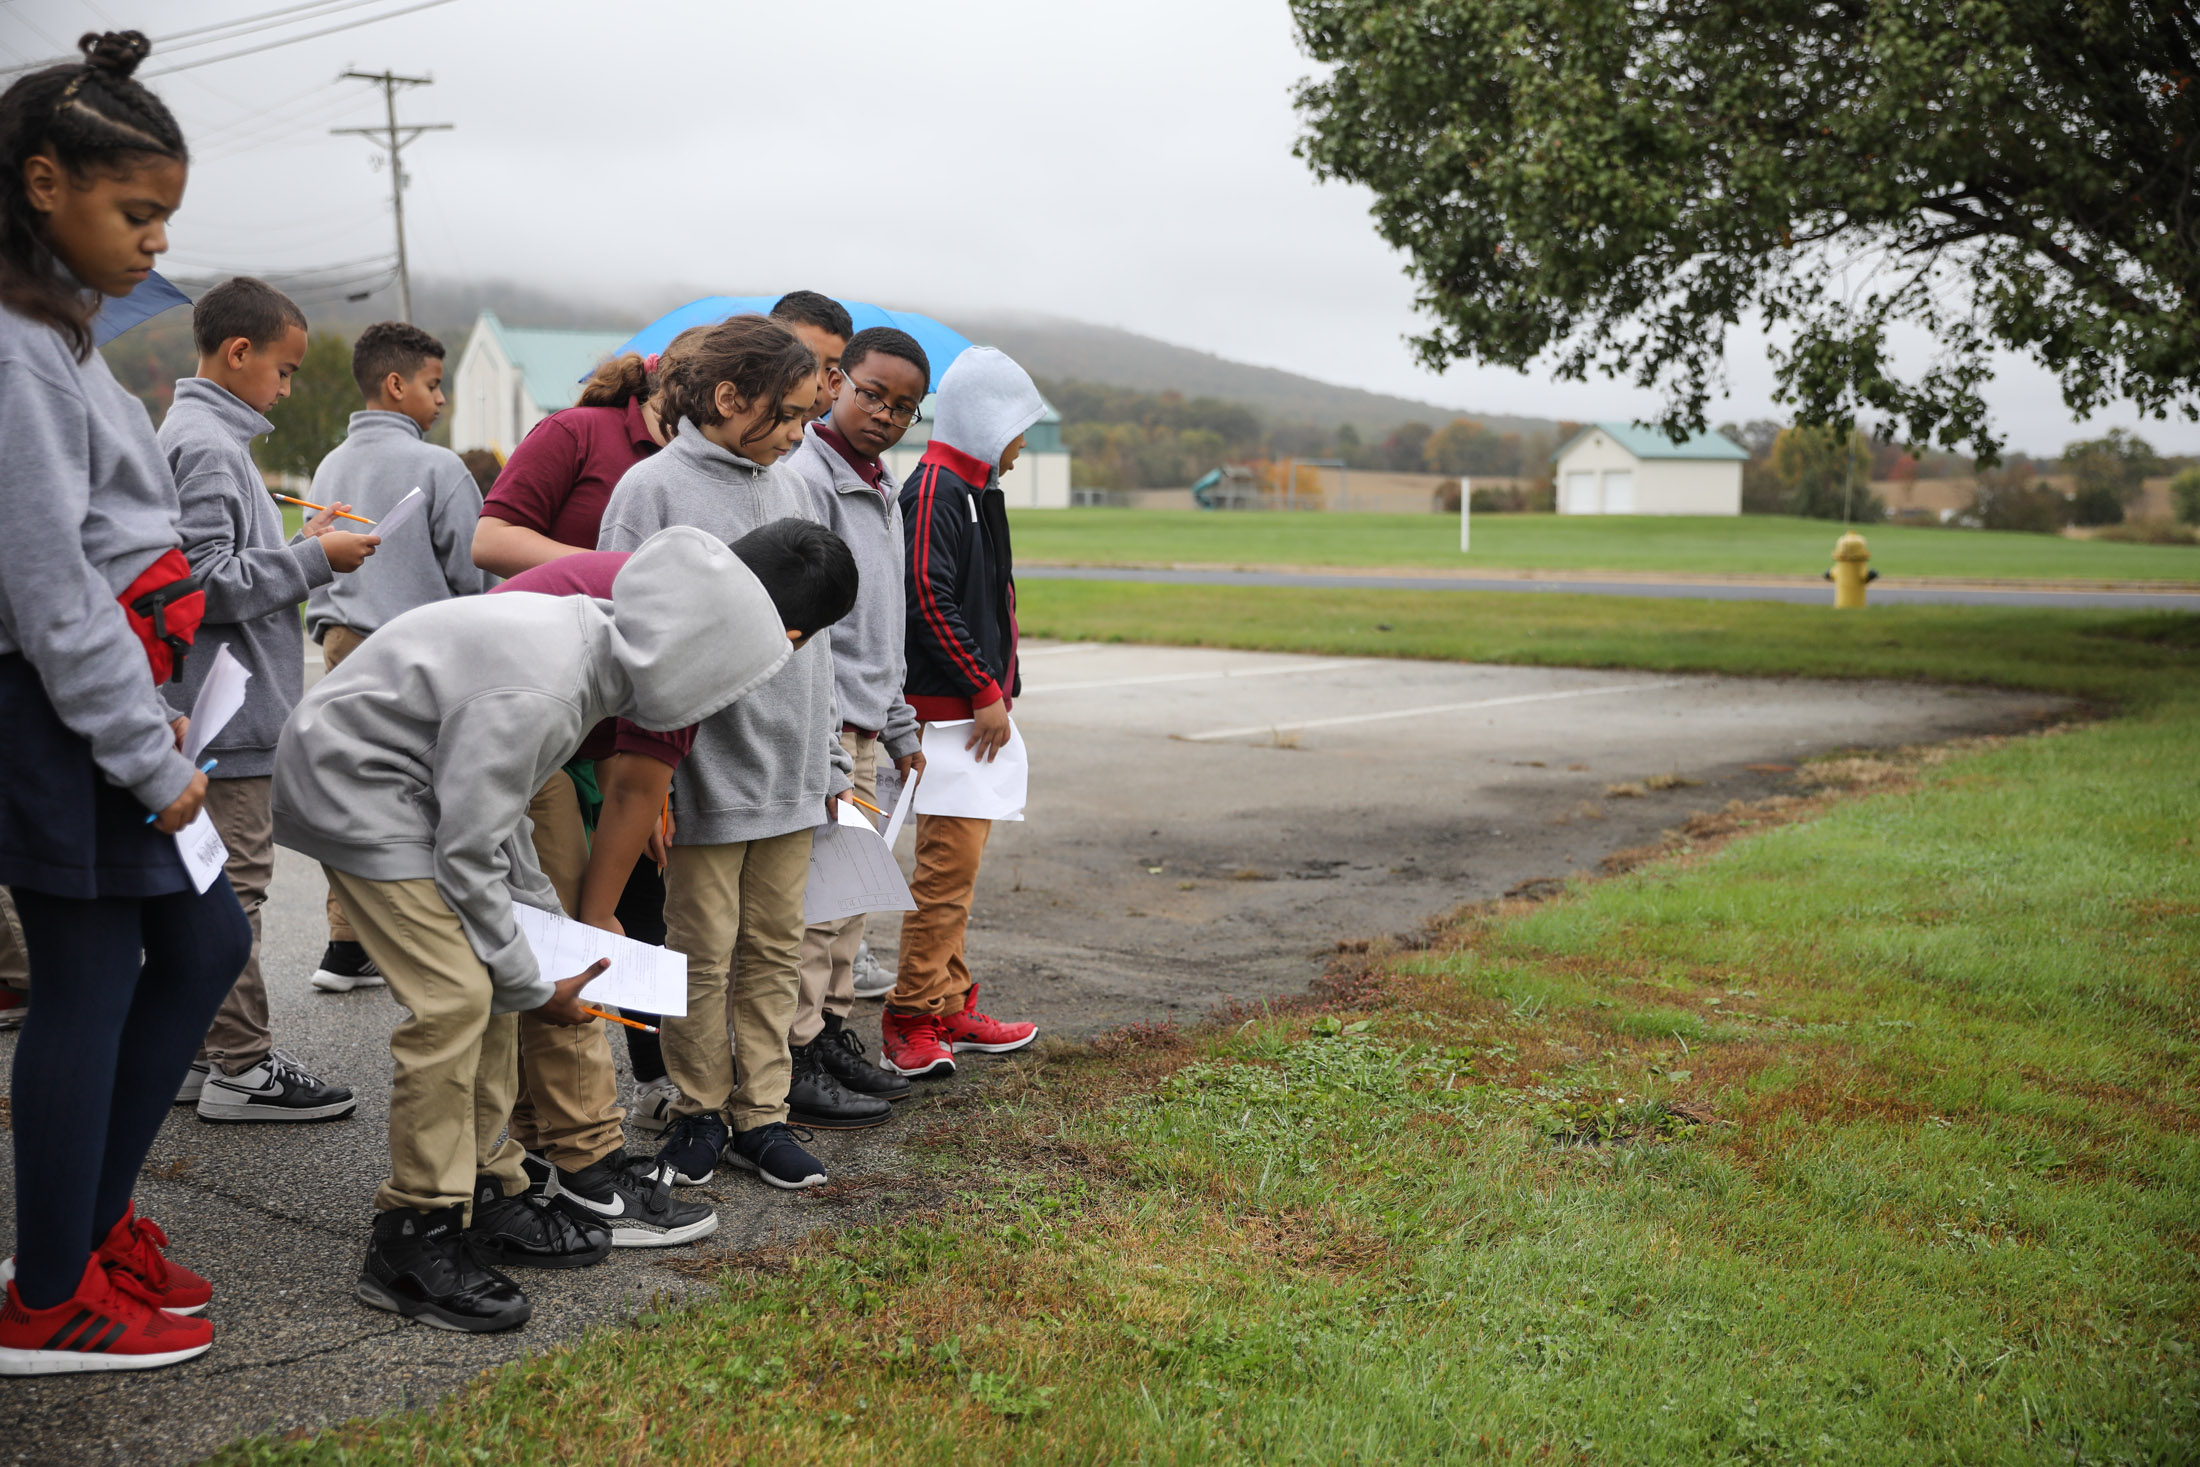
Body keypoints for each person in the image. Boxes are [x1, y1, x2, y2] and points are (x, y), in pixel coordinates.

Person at [272, 523, 830, 1331]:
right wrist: (537, 979)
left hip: (405, 787)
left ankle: (486, 1187)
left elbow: (505, 835)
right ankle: (410, 1237)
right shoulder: (550, 688)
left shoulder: (589, 653)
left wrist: (544, 936)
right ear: (694, 656)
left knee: (494, 982)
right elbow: (467, 854)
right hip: (352, 785)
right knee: (459, 996)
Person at [0, 30, 250, 1375]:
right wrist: (146, 752)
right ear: (44, 182)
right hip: (64, 714)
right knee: (92, 975)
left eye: (166, 216)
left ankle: (83, 1228)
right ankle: (46, 1294)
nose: (155, 242)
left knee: (203, 946)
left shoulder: (59, 338)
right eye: (135, 211)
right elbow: (50, 589)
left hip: (115, 707)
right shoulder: (17, 356)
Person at [598, 315, 852, 1193]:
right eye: (785, 414)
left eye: (807, 416)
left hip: (793, 776)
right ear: (725, 396)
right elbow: (621, 640)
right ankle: (698, 1108)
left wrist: (832, 763)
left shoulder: (798, 485)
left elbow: (821, 640)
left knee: (775, 947)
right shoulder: (650, 489)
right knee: (701, 951)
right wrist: (647, 786)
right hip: (699, 777)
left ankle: (763, 1116)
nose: (797, 433)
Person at [469, 327, 711, 1137]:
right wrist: (605, 575)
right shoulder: (578, 433)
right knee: (565, 917)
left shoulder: (698, 464)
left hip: (619, 719)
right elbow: (491, 538)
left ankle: (564, 1118)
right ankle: (573, 1141)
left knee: (622, 889)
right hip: (537, 709)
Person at [162, 275, 377, 1123]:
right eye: (283, 370)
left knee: (202, 890)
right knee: (234, 890)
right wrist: (318, 556)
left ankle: (194, 1049)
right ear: (238, 352)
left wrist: (300, 544)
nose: (287, 389)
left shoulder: (202, 436)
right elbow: (203, 583)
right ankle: (243, 1066)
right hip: (228, 714)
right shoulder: (209, 446)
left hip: (216, 707)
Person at [302, 321, 491, 995]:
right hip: (417, 651)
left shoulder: (328, 465)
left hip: (341, 645)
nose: (440, 400)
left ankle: (346, 944)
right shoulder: (438, 467)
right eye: (434, 384)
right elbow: (473, 570)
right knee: (421, 797)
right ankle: (423, 939)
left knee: (352, 790)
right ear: (396, 383)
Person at [784, 327, 936, 1122]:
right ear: (836, 381)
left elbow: (886, 624)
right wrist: (829, 736)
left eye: (904, 406)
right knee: (815, 906)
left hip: (869, 730)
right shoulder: (805, 478)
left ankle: (834, 1029)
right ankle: (797, 1050)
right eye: (872, 393)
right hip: (825, 729)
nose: (885, 412)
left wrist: (902, 727)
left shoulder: (881, 487)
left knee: (853, 904)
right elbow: (809, 627)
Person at [881, 347, 1046, 1079]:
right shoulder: (937, 489)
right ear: (990, 421)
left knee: (960, 873)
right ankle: (912, 1014)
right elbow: (925, 594)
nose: (1022, 447)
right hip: (945, 720)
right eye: (1019, 430)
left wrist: (1004, 682)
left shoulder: (976, 490)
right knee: (943, 877)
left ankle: (948, 999)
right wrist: (984, 688)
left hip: (970, 716)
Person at [769, 291, 849, 421]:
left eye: (830, 370)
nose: (817, 381)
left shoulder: (825, 441)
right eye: (804, 361)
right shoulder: (732, 434)